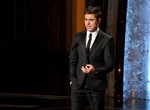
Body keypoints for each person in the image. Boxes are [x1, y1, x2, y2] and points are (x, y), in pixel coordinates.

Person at [69, 6, 115, 110]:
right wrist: (72, 80)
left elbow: (110, 64)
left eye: (91, 20)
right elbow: (73, 59)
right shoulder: (78, 37)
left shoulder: (107, 40)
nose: (87, 23)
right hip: (78, 85)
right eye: (86, 19)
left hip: (96, 86)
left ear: (98, 20)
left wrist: (95, 70)